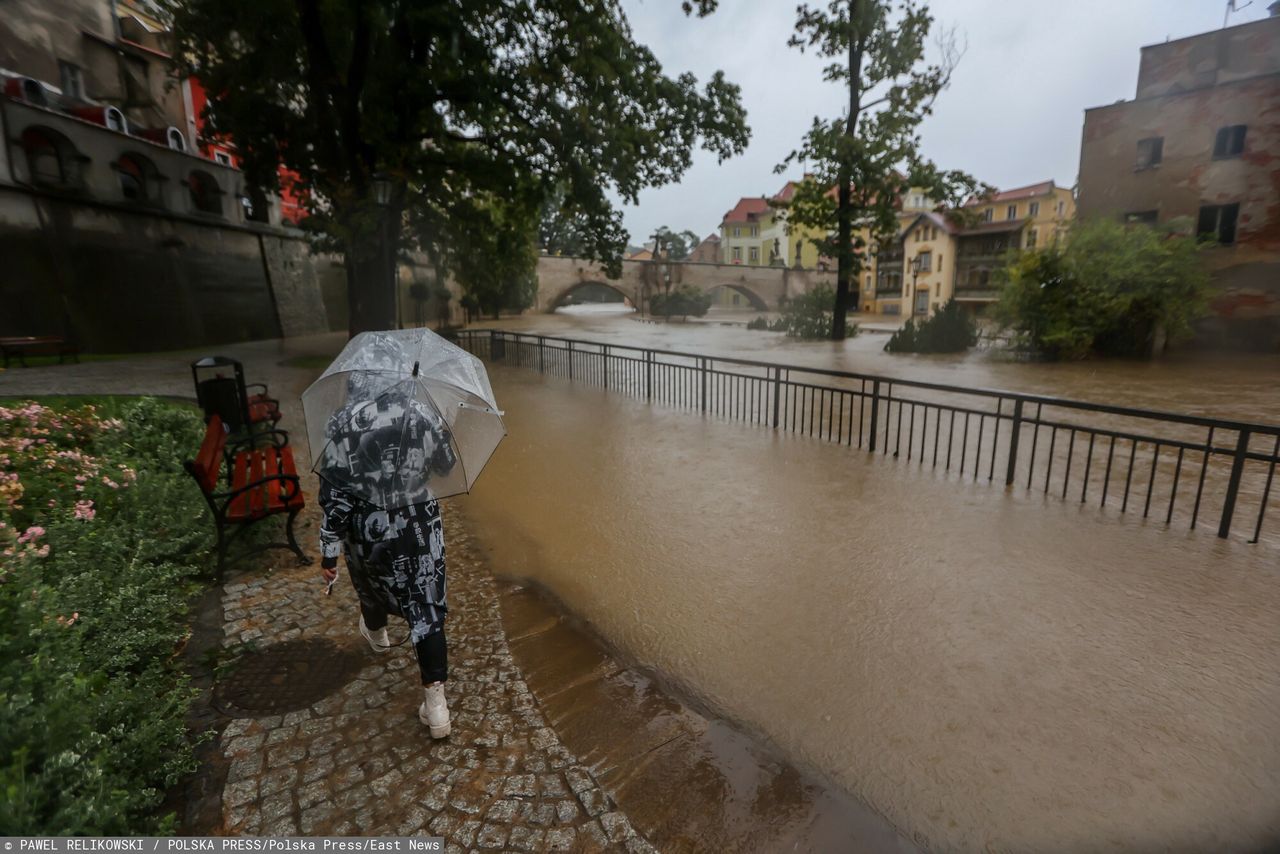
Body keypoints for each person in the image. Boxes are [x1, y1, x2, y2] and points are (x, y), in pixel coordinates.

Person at [318, 386, 457, 738]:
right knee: (426, 607)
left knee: (370, 585)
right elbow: (446, 465)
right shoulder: (423, 413)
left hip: (368, 530)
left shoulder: (342, 421)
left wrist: (328, 551)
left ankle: (378, 635)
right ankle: (437, 706)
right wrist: (440, 428)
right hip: (418, 525)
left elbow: (334, 495)